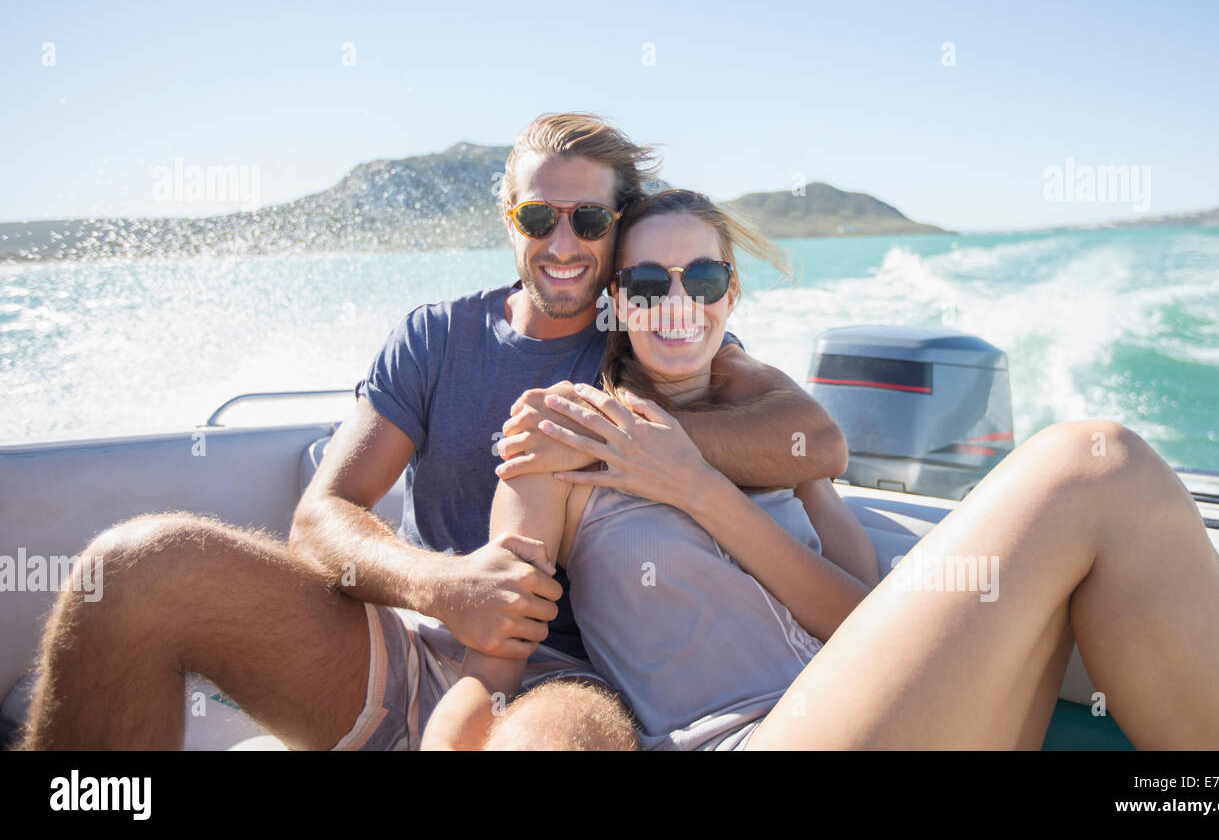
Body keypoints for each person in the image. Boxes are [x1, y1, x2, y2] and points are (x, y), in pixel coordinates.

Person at [18, 112, 852, 750]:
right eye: (538, 218)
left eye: (589, 223)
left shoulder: (647, 325)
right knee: (133, 568)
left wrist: (641, 445)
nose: (562, 244)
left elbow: (814, 440)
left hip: (558, 678)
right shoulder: (437, 337)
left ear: (619, 230)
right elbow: (322, 516)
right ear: (507, 218)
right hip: (399, 635)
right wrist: (442, 588)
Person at [421, 188, 1219, 751]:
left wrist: (695, 481)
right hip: (744, 739)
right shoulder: (564, 435)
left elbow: (857, 617)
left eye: (703, 277)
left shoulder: (783, 443)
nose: (677, 301)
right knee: (1092, 464)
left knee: (1109, 494)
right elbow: (491, 667)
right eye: (648, 280)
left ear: (732, 296)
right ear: (617, 300)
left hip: (884, 715)